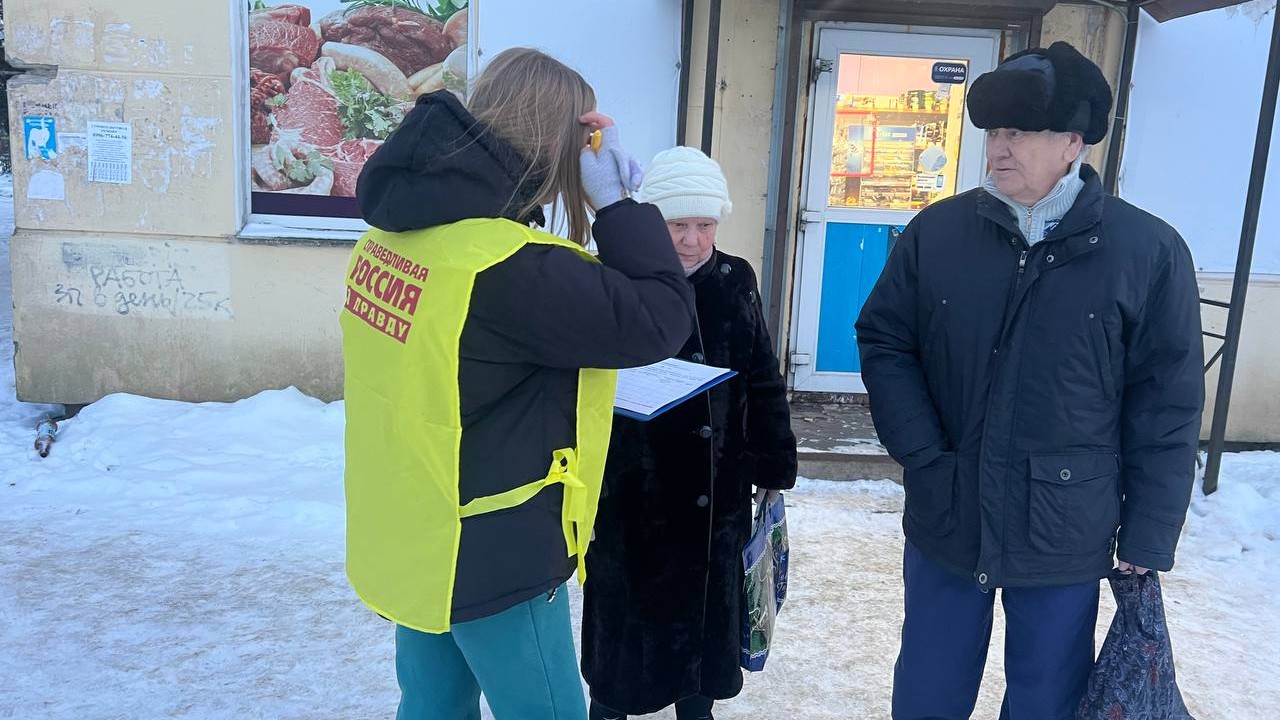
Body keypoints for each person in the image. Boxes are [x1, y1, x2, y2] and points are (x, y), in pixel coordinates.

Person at [341, 48, 696, 720]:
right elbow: (659, 320)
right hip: (494, 542)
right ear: (561, 146)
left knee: (432, 705)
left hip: (416, 524)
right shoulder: (509, 267)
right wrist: (617, 205)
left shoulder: (395, 237)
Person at [855, 42, 1205, 720]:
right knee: (928, 688)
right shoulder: (938, 233)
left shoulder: (1147, 251)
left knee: (1048, 699)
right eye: (994, 132)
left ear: (1073, 142)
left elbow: (1167, 402)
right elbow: (886, 341)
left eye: (1019, 132)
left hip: (1065, 525)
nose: (999, 148)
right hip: (950, 510)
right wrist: (923, 454)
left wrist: (1148, 531)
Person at [581, 147, 798, 720]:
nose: (693, 240)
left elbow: (761, 373)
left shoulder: (734, 277)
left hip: (716, 492)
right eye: (678, 225)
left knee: (702, 643)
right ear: (653, 222)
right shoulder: (614, 277)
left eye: (705, 225)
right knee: (624, 645)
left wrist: (772, 462)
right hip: (632, 492)